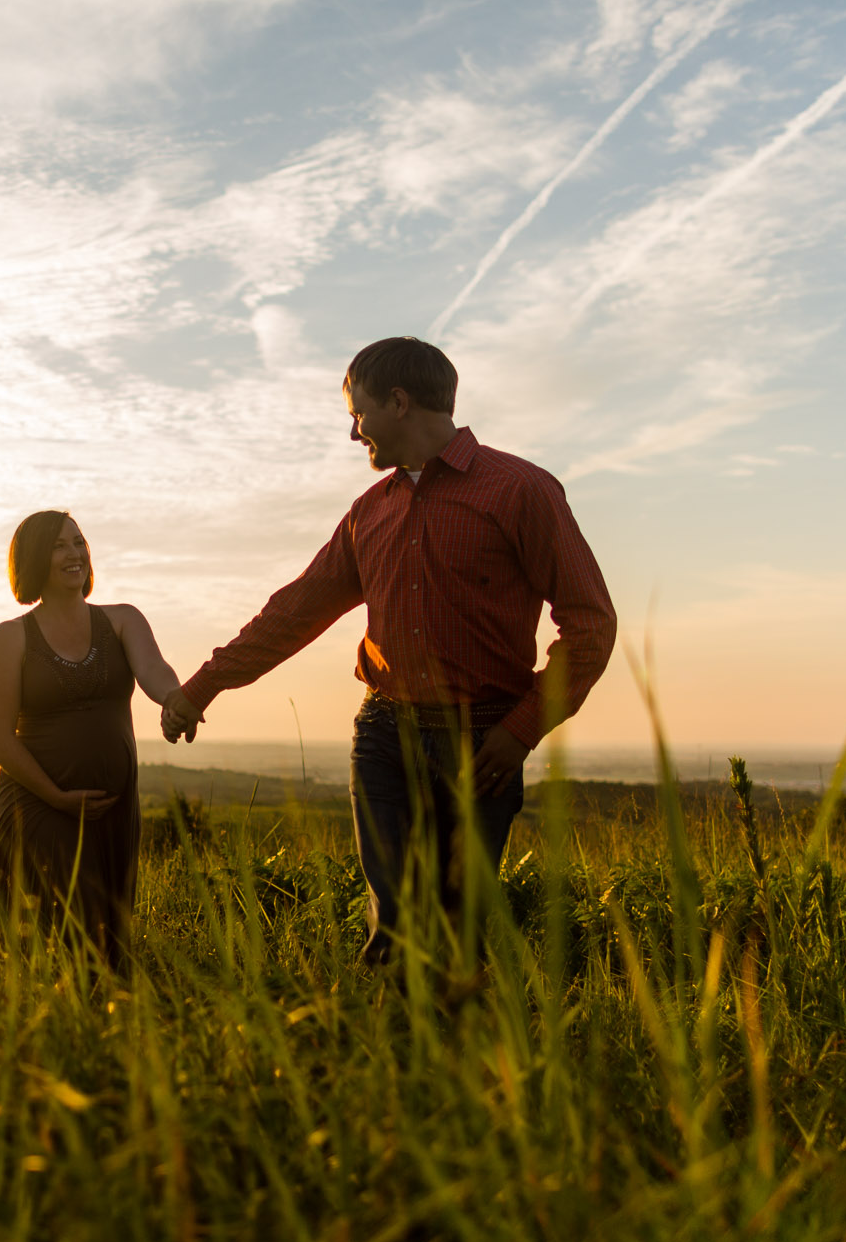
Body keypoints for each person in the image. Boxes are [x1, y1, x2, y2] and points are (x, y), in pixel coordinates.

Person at [161, 336, 616, 964]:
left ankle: (461, 1052)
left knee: (457, 937)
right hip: (383, 735)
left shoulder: (521, 491)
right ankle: (391, 1050)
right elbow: (294, 612)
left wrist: (521, 730)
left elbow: (590, 626)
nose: (354, 434)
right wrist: (202, 685)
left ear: (398, 403)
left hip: (482, 741)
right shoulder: (368, 513)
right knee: (395, 931)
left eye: (359, 413)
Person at [0, 510, 189, 968]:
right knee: (68, 935)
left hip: (112, 810)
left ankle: (97, 1022)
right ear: (35, 559)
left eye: (79, 542)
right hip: (36, 804)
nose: (75, 553)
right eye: (60, 545)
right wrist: (57, 797)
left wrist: (175, 698)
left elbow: (154, 670)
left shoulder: (122, 620)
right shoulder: (11, 637)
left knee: (107, 940)